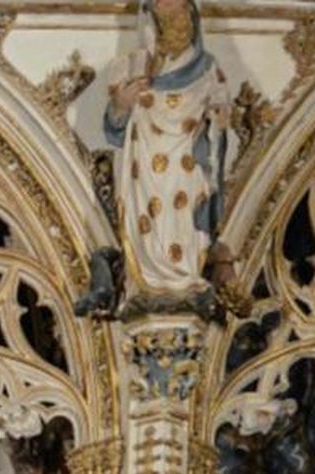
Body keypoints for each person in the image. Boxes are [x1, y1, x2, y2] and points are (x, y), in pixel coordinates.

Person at [103, 0, 231, 301]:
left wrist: (218, 123)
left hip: (187, 170)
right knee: (147, 226)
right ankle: (148, 278)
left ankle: (183, 275)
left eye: (181, 14)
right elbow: (114, 131)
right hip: (143, 171)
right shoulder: (131, 68)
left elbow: (218, 129)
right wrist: (122, 104)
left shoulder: (208, 72)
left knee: (182, 225)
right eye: (167, 16)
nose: (177, 24)